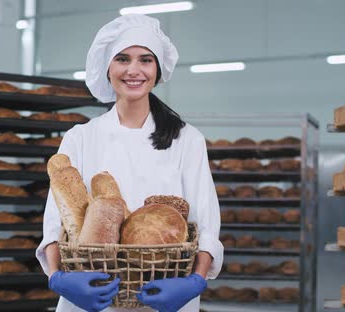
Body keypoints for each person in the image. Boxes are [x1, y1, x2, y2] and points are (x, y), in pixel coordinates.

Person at [35, 14, 223, 312]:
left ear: (158, 70)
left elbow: (207, 224)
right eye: (123, 59)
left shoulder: (187, 139)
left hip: (167, 296)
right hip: (90, 298)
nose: (133, 70)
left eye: (145, 60)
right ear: (107, 67)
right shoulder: (81, 137)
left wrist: (195, 281)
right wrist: (58, 277)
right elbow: (56, 224)